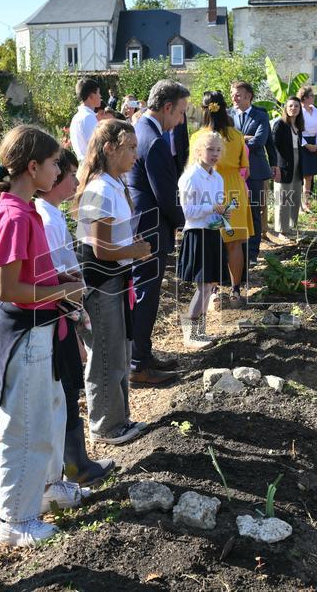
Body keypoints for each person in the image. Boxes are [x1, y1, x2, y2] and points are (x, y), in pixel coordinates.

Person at [0, 125, 89, 547]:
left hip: (44, 327)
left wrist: (59, 278)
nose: (60, 171)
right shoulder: (13, 214)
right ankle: (15, 519)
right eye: (56, 163)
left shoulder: (26, 209)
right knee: (24, 426)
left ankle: (45, 491)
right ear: (33, 166)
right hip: (24, 333)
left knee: (47, 414)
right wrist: (64, 290)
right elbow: (9, 290)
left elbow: (30, 274)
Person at [35, 149, 116, 488]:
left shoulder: (50, 213)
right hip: (56, 316)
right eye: (69, 174)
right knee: (66, 389)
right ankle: (74, 466)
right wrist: (72, 322)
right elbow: (58, 274)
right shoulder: (49, 219)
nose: (75, 181)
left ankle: (74, 463)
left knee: (67, 388)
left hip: (60, 312)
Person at [76, 119, 153, 442]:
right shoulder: (99, 189)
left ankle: (120, 417)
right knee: (105, 351)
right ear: (109, 148)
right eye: (130, 147)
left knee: (119, 348)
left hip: (116, 278)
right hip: (101, 282)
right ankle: (105, 425)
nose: (136, 154)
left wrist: (131, 248)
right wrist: (134, 249)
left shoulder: (116, 183)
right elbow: (100, 248)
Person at [128, 80, 189, 382]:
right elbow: (165, 194)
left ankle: (143, 353)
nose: (180, 121)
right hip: (149, 227)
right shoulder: (153, 140)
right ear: (166, 108)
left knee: (146, 293)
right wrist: (184, 220)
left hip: (146, 223)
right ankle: (138, 364)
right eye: (179, 113)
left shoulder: (143, 130)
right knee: (146, 294)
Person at [191, 91, 254, 307]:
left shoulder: (198, 138)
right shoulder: (236, 136)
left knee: (212, 245)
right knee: (234, 244)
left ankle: (215, 292)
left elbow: (193, 169)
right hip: (234, 193)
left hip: (210, 193)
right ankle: (236, 291)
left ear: (204, 109)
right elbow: (245, 167)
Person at [177, 131, 228, 349]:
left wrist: (224, 215)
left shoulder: (217, 177)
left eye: (218, 150)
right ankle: (190, 334)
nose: (215, 154)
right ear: (199, 151)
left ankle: (200, 331)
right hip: (197, 234)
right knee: (204, 285)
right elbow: (187, 212)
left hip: (213, 232)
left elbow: (217, 208)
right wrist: (211, 208)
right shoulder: (190, 177)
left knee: (210, 285)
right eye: (210, 149)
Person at [230, 80, 274, 263]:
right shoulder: (227, 115)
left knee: (254, 211)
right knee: (234, 211)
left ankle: (252, 253)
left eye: (238, 95)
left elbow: (259, 142)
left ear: (248, 96)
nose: (234, 98)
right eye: (232, 94)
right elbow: (222, 141)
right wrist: (245, 138)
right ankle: (236, 250)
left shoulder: (261, 115)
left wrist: (237, 140)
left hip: (255, 171)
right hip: (233, 172)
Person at [271, 97, 306, 242]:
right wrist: (276, 166)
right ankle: (282, 231)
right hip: (283, 164)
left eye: (296, 106)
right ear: (286, 108)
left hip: (297, 163)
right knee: (283, 199)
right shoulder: (280, 124)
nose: (293, 108)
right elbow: (273, 147)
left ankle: (292, 228)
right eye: (290, 106)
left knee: (295, 197)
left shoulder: (298, 125)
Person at [298, 86, 317, 213]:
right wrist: (307, 145)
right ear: (305, 98)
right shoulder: (299, 111)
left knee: (309, 176)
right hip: (302, 144)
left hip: (314, 143)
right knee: (301, 175)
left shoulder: (315, 110)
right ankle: (299, 205)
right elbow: (297, 131)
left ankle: (306, 203)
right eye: (312, 96)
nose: (314, 97)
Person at [70, 78, 102, 161]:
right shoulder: (88, 117)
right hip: (91, 165)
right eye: (98, 93)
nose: (100, 96)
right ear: (91, 96)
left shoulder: (77, 117)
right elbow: (96, 147)